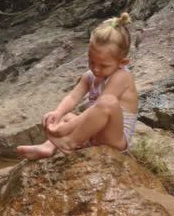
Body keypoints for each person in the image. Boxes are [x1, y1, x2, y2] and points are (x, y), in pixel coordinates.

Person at [16, 12, 138, 160]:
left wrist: (67, 129)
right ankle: (47, 147)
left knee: (107, 102)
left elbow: (102, 105)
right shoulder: (90, 76)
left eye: (104, 65)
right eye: (92, 62)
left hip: (115, 139)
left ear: (122, 62)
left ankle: (69, 143)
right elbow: (72, 98)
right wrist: (57, 113)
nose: (96, 69)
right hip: (95, 136)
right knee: (67, 116)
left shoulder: (122, 76)